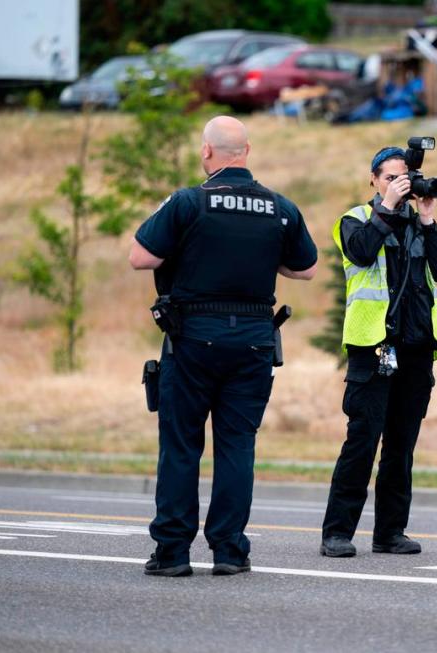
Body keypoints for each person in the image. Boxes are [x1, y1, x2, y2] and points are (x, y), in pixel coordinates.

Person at [129, 116, 319, 577]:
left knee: (181, 447)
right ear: (246, 152)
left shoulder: (188, 202)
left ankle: (172, 553)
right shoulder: (280, 208)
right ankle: (230, 550)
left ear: (206, 153)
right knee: (237, 447)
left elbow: (141, 257)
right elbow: (305, 268)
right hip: (253, 341)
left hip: (193, 339)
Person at [320, 146, 437, 557]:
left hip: (416, 349)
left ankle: (390, 532)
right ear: (374, 180)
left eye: (405, 179)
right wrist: (389, 205)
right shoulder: (356, 220)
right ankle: (337, 533)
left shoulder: (420, 225)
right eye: (390, 178)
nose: (399, 184)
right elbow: (361, 251)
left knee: (401, 445)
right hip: (373, 346)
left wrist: (429, 218)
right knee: (362, 440)